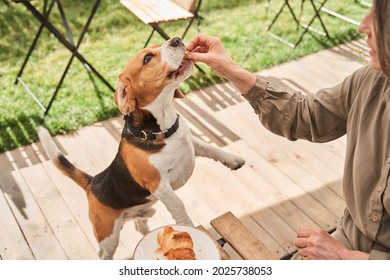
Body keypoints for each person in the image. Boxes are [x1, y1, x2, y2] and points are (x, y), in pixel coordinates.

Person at [186, 0, 389, 260]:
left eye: (381, 16)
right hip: (347, 241)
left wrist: (345, 259)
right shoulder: (372, 80)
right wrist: (229, 69)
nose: (363, 26)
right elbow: (307, 116)